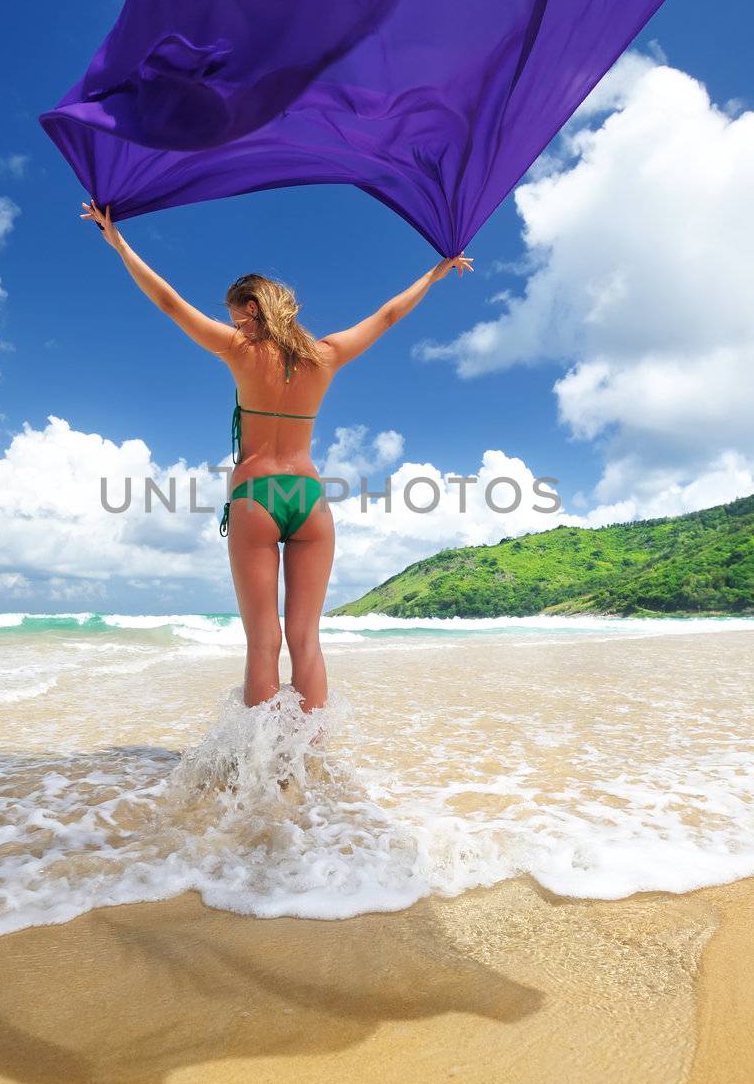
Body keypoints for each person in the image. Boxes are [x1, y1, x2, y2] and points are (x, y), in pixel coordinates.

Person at [82, 198, 472, 711]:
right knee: (306, 639)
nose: (235, 327)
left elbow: (171, 304)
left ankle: (261, 771)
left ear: (250, 309)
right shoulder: (326, 354)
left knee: (263, 642)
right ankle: (309, 762)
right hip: (310, 498)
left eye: (235, 317)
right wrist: (436, 272)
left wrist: (120, 245)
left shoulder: (240, 350)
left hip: (256, 497)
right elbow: (389, 314)